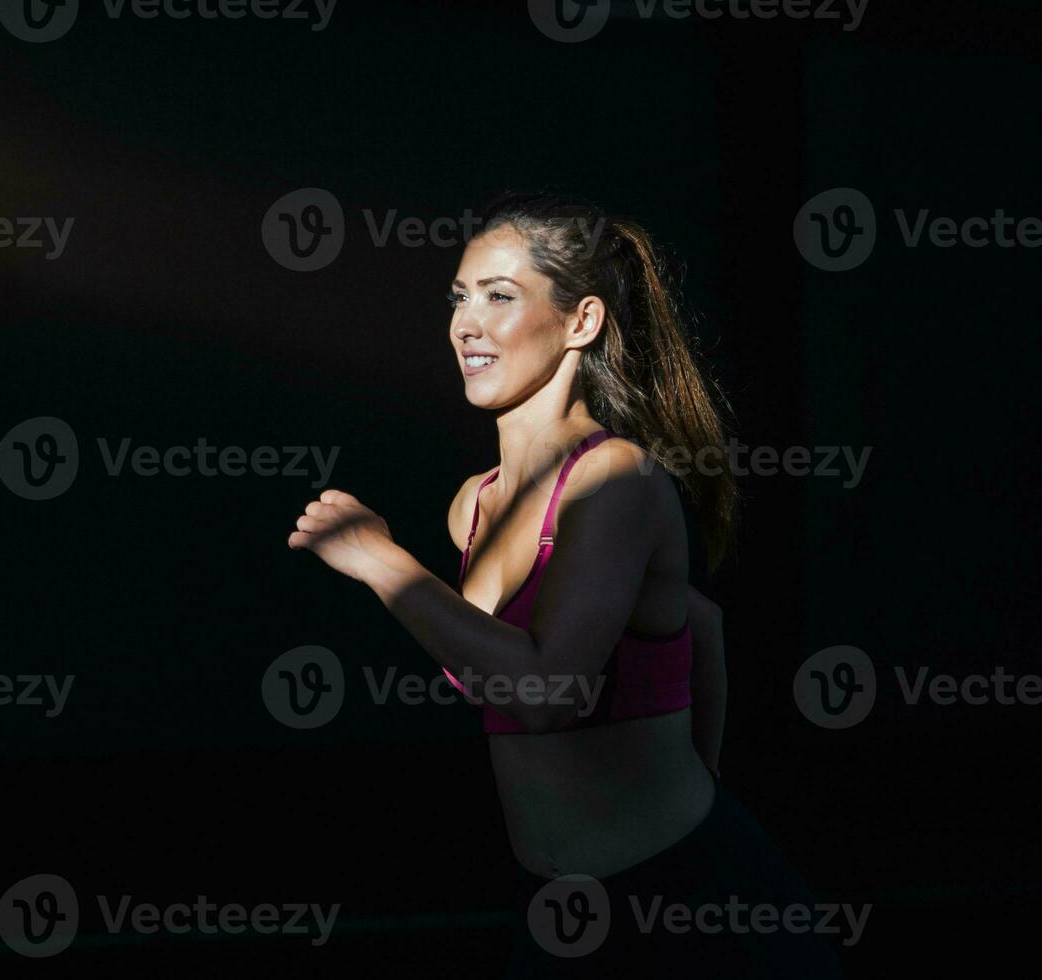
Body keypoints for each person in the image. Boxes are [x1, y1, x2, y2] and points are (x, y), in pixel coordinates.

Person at [288, 190, 843, 977]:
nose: (465, 324)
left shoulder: (613, 477)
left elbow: (545, 695)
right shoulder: (472, 506)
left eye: (499, 297)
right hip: (562, 913)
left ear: (580, 322)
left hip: (691, 914)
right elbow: (700, 625)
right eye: (459, 298)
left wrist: (379, 560)